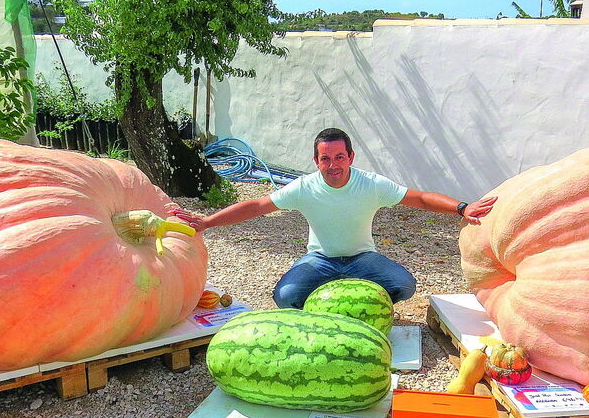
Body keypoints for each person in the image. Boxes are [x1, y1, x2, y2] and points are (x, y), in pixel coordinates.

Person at [168, 128, 496, 309]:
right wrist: (207, 222)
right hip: (320, 260)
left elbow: (420, 198)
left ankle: (354, 301)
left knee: (404, 285)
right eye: (326, 158)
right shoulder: (304, 187)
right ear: (316, 161)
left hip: (363, 259)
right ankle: (332, 300)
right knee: (285, 297)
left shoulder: (371, 184)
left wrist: (461, 207)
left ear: (350, 157)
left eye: (340, 156)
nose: (333, 164)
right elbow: (256, 205)